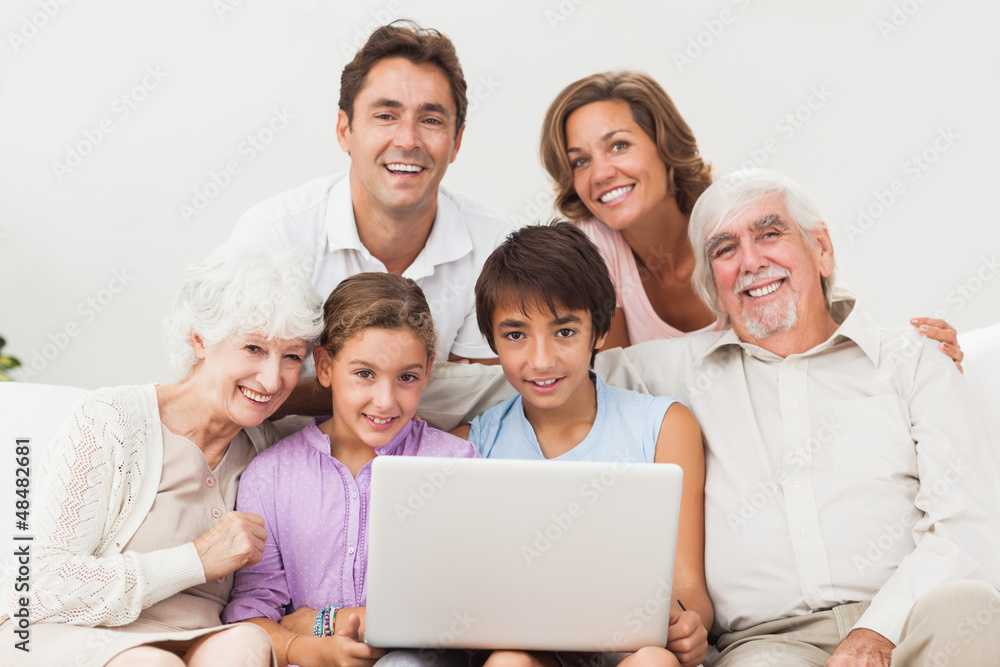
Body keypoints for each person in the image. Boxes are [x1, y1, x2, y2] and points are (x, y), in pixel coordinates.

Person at [418, 170, 1000, 666]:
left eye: (769, 233)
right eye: (725, 249)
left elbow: (964, 524)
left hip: (908, 622)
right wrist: (359, 388)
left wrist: (876, 631)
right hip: (772, 645)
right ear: (712, 283)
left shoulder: (913, 359)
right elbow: (532, 373)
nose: (750, 261)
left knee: (972, 610)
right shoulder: (673, 371)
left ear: (821, 249)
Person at [0, 245, 324, 666]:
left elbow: (395, 399)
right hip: (78, 636)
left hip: (199, 636)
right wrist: (194, 561)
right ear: (199, 340)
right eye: (253, 349)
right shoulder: (113, 420)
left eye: (292, 357)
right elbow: (35, 584)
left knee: (245, 646)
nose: (271, 378)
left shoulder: (274, 446)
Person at [539, 71, 965, 370]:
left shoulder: (734, 220)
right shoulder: (595, 249)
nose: (600, 174)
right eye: (580, 161)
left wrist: (911, 354)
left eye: (618, 146)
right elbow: (615, 381)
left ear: (663, 145)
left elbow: (814, 316)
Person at [450, 222, 711, 667]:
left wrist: (688, 624)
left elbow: (689, 589)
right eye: (515, 335)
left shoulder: (664, 426)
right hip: (531, 653)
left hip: (634, 652)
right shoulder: (472, 446)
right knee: (508, 661)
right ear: (492, 342)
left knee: (655, 661)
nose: (541, 359)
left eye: (565, 332)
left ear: (600, 332)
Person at [223, 272, 479, 667]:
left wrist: (324, 621)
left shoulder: (455, 466)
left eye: (406, 377)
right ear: (324, 366)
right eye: (364, 374)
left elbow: (469, 605)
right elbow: (252, 615)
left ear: (428, 372)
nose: (384, 400)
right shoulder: (269, 476)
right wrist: (313, 644)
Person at [230, 21, 513, 372]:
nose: (408, 140)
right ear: (344, 130)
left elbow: (476, 399)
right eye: (385, 116)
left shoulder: (495, 247)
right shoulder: (273, 236)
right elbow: (234, 382)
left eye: (431, 120)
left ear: (456, 141)